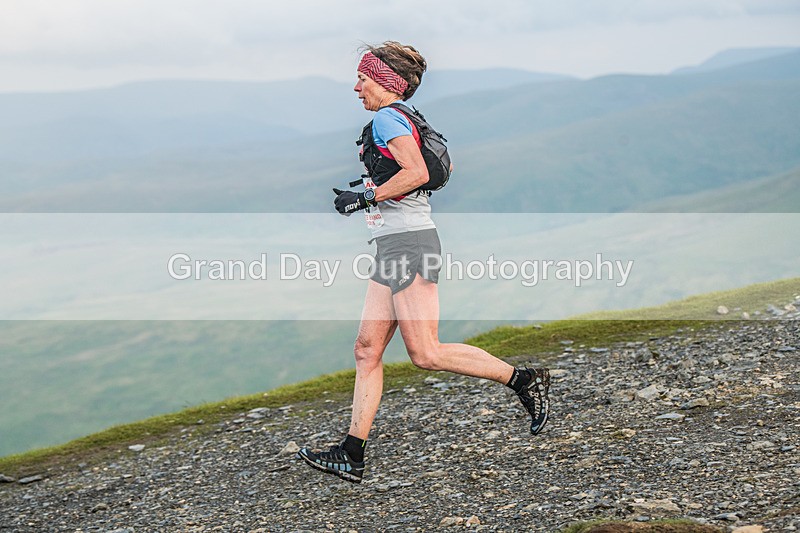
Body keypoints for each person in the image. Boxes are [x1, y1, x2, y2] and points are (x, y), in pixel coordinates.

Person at [298, 41, 550, 483]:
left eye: (363, 78)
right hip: (394, 245)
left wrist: (366, 197)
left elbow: (415, 173)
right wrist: (367, 188)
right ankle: (351, 454)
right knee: (367, 349)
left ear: (384, 82)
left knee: (426, 353)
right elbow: (410, 175)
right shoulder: (400, 118)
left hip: (410, 244)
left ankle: (523, 379)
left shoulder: (386, 117)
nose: (357, 87)